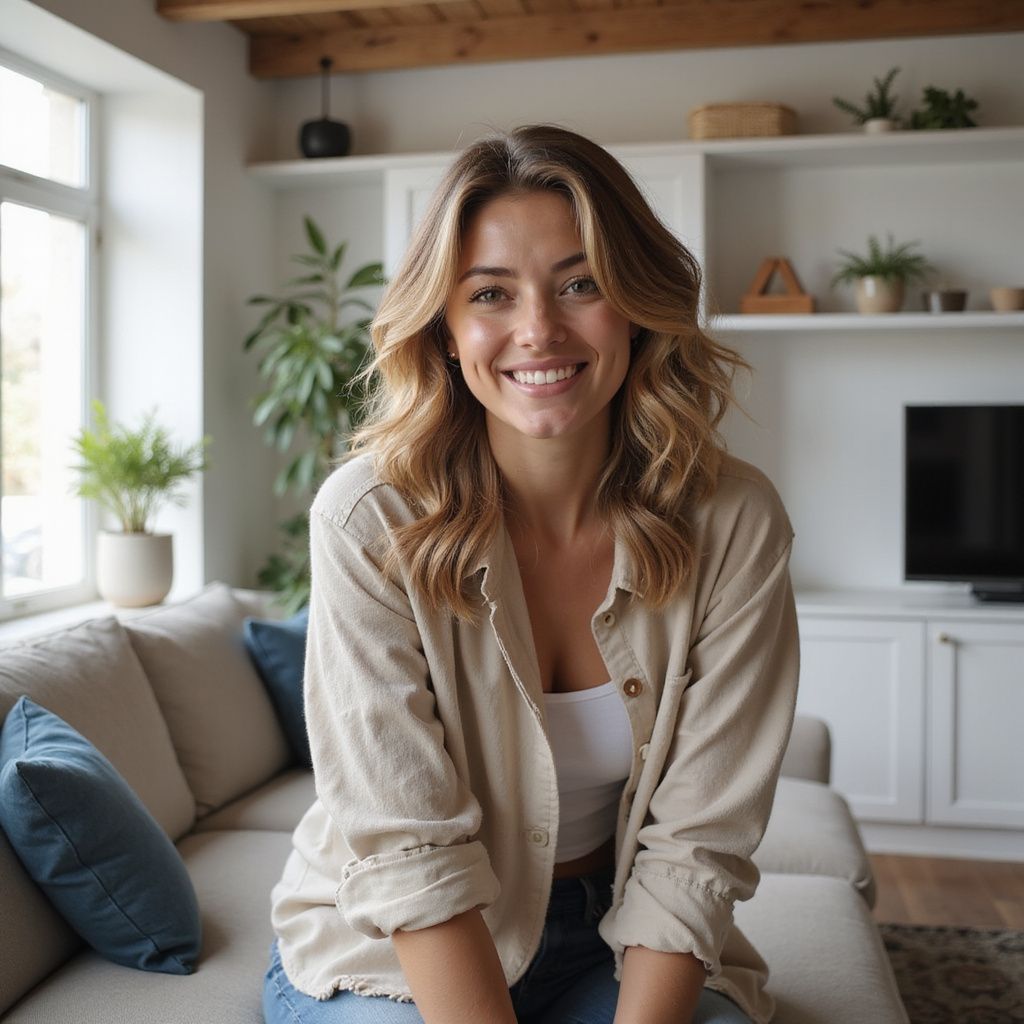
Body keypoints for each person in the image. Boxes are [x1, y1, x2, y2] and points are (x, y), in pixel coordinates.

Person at [263, 124, 799, 1024]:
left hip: (618, 936)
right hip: (395, 946)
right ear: (445, 325)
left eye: (580, 283)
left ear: (635, 300)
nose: (539, 330)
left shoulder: (733, 523)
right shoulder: (367, 521)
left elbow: (697, 843)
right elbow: (408, 852)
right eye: (490, 294)